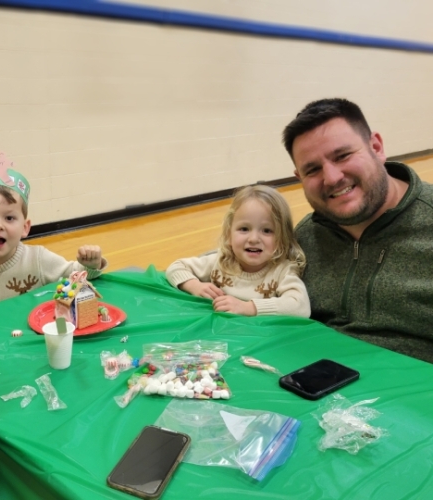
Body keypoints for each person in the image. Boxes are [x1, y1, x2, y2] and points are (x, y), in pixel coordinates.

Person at [282, 97, 433, 363]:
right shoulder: (303, 240)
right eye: (313, 170)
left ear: (376, 147)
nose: (332, 177)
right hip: (321, 393)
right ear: (299, 178)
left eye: (343, 156)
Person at [0, 159, 107, 310]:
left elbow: (76, 275)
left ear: (25, 227)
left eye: (9, 218)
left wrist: (91, 265)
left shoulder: (38, 259)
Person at [166, 185, 310, 317]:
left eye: (267, 231)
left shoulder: (282, 271)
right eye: (244, 229)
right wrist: (195, 286)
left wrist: (249, 307)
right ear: (229, 234)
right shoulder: (221, 261)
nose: (253, 239)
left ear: (282, 239)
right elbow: (176, 267)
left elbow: (301, 307)